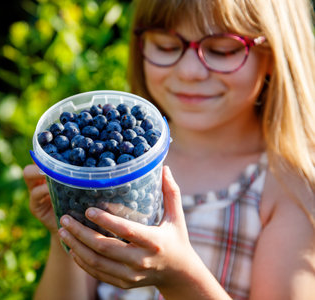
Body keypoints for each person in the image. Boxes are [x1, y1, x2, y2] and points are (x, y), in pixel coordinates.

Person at [23, 0, 315, 299]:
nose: (189, 71)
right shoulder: (115, 166)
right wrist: (68, 233)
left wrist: (178, 276)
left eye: (222, 49)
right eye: (165, 45)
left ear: (274, 53)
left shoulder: (289, 188)